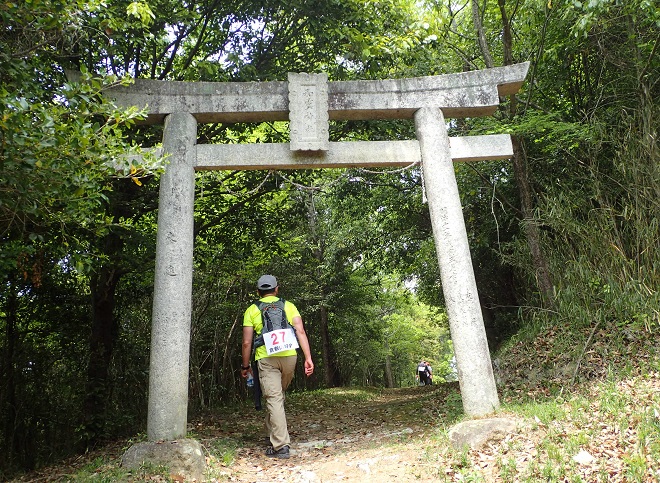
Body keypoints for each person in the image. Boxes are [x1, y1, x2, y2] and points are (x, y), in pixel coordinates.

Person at [241, 274, 314, 459]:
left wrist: (245, 365)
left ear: (258, 292)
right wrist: (308, 357)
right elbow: (300, 330)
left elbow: (247, 343)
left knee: (274, 398)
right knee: (275, 397)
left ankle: (281, 447)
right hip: (290, 356)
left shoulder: (252, 309)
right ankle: (272, 434)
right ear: (276, 289)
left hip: (266, 358)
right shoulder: (288, 306)